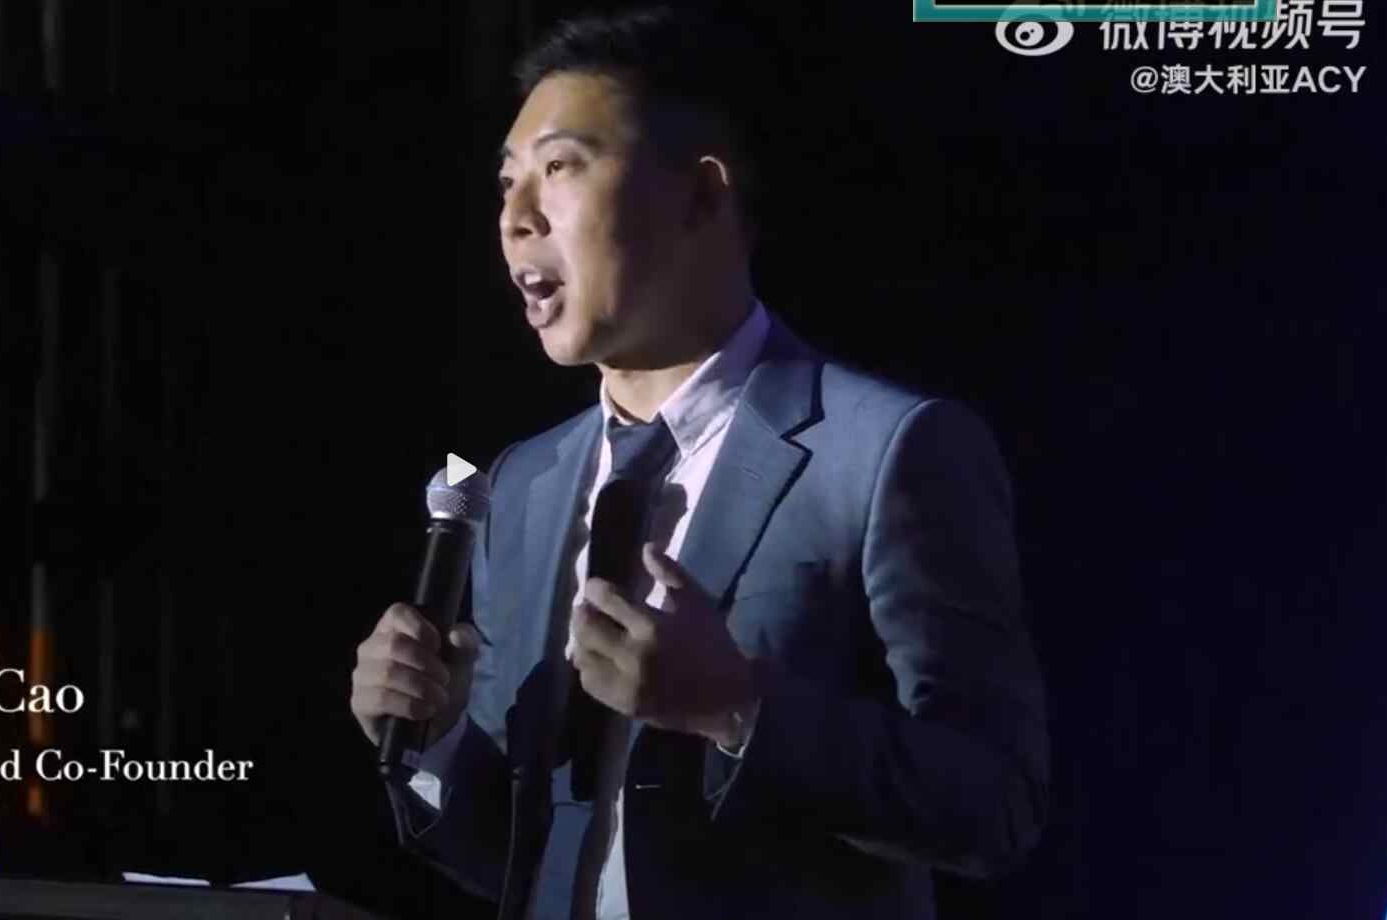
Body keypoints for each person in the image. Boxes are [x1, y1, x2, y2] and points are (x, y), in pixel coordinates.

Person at [349, 7, 1048, 918]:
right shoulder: (521, 482)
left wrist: (736, 710)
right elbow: (522, 859)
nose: (516, 219)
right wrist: (435, 740)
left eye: (560, 168)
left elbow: (994, 804)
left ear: (700, 197)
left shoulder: (888, 451)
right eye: (507, 182)